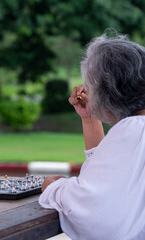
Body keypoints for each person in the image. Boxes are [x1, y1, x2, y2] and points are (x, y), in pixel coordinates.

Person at [39, 33, 145, 240]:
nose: (86, 90)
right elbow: (110, 176)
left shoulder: (133, 128)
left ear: (108, 89)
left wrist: (53, 187)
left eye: (91, 84)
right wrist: (89, 118)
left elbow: (95, 209)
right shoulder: (136, 129)